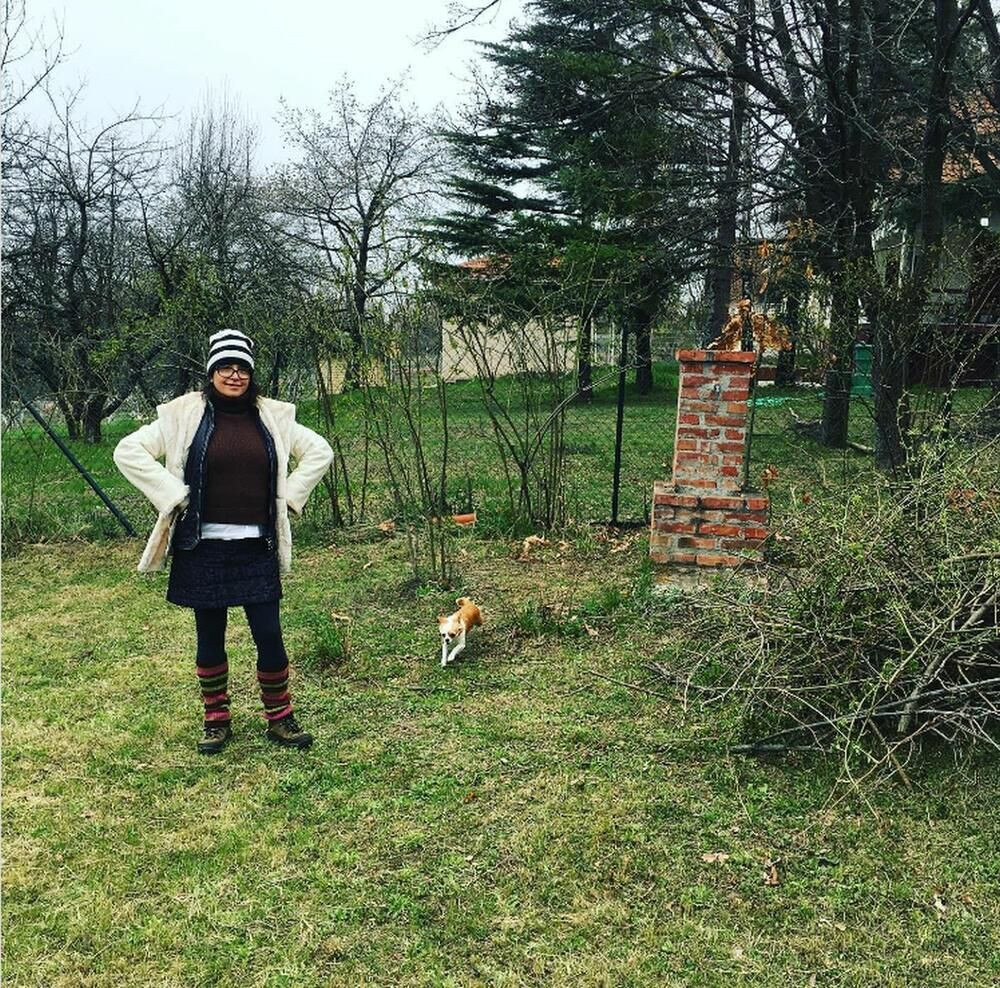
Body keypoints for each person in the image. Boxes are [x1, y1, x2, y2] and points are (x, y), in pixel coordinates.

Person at [114, 329, 333, 754]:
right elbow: (128, 450)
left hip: (256, 546)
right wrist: (172, 494)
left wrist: (288, 498)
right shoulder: (182, 415)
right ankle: (216, 721)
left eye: (242, 368)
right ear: (212, 371)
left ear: (251, 374)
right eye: (226, 367)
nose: (235, 375)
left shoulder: (273, 416)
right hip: (203, 547)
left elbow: (319, 451)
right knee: (210, 637)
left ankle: (280, 718)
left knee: (269, 635)